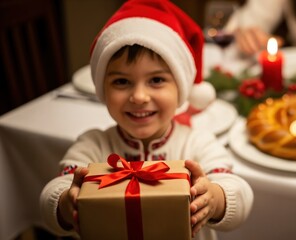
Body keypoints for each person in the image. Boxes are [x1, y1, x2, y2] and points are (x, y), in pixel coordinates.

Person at [39, 0, 253, 239]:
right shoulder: (94, 145)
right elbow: (52, 194)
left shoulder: (196, 143)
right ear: (103, 90)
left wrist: (214, 198)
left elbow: (241, 194)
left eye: (156, 80)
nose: (139, 97)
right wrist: (66, 205)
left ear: (181, 89)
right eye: (121, 82)